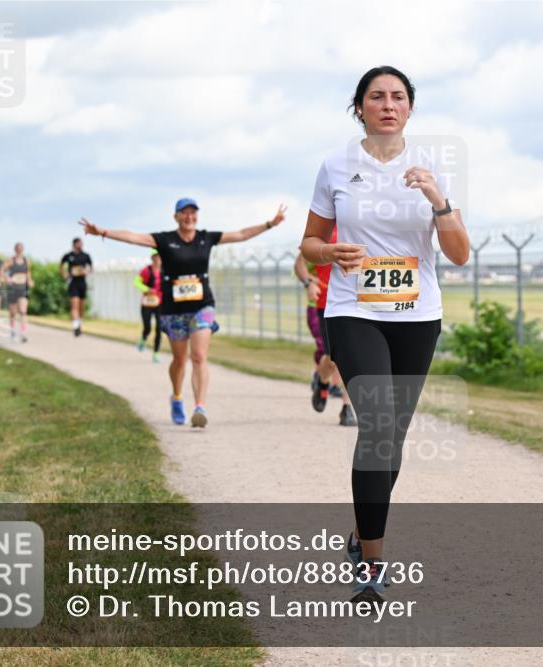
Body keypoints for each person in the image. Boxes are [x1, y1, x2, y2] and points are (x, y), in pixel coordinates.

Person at [299, 66, 469, 603]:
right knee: (376, 427)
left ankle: (359, 534)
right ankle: (372, 564)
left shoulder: (434, 166)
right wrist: (329, 252)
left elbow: (459, 254)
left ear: (410, 108)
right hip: (353, 309)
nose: (388, 104)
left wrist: (438, 200)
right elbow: (309, 243)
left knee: (392, 436)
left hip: (417, 315)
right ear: (360, 108)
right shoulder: (335, 165)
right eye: (377, 96)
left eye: (398, 96)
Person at [77, 198, 286, 428]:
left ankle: (199, 407)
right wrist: (102, 232)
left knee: (199, 356)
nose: (189, 217)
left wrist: (270, 224)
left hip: (202, 306)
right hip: (174, 309)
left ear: (197, 216)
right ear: (176, 217)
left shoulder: (206, 238)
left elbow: (241, 234)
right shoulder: (165, 240)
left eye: (193, 212)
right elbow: (133, 236)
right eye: (184, 213)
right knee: (179, 360)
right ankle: (177, 397)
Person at [294, 230, 356, 427]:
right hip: (328, 304)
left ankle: (347, 408)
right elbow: (300, 263)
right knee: (333, 358)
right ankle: (322, 380)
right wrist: (308, 283)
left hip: (360, 303)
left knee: (353, 356)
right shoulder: (325, 230)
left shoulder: (368, 227)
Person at [60, 238, 92, 337]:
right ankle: (75, 327)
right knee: (75, 305)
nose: (81, 245)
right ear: (74, 244)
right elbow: (61, 265)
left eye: (81, 243)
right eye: (79, 243)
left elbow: (90, 267)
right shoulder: (68, 255)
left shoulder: (85, 255)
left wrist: (87, 271)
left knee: (81, 307)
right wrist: (64, 274)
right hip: (73, 283)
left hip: (82, 283)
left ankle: (79, 324)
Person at [3, 243, 32, 342]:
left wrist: (29, 280)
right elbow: (2, 270)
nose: (20, 250)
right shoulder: (11, 260)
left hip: (23, 288)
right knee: (13, 313)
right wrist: (7, 278)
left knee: (23, 311)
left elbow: (28, 272)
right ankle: (13, 330)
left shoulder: (26, 261)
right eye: (18, 248)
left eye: (21, 248)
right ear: (15, 249)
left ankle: (23, 333)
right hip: (13, 289)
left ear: (23, 249)